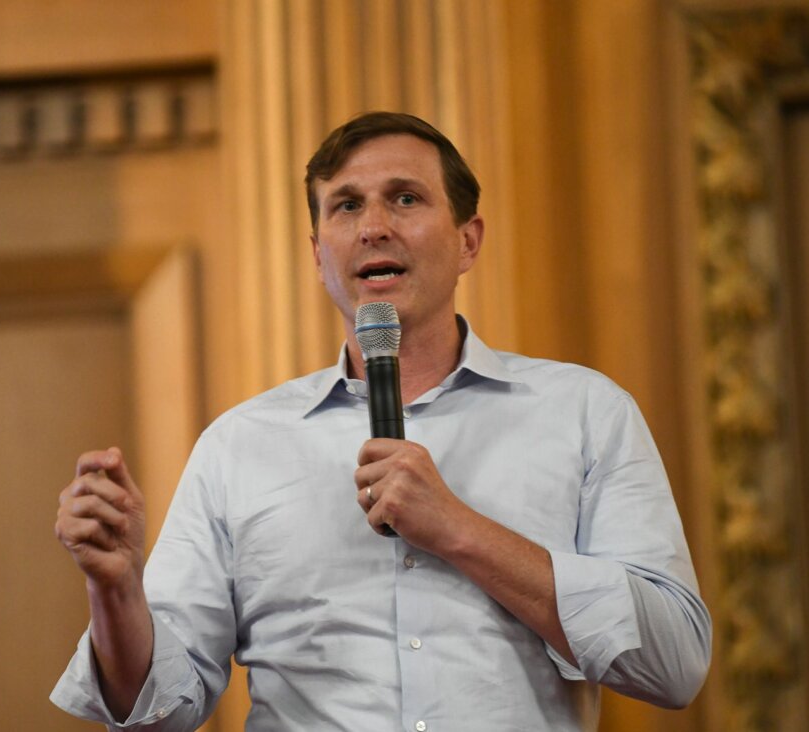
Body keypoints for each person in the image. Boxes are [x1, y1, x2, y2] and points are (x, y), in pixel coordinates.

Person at [51, 112, 711, 730]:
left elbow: (674, 663)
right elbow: (160, 713)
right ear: (319, 256)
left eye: (404, 198)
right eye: (346, 205)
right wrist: (116, 592)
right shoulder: (239, 447)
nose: (373, 227)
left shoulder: (583, 412)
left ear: (467, 241)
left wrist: (459, 531)